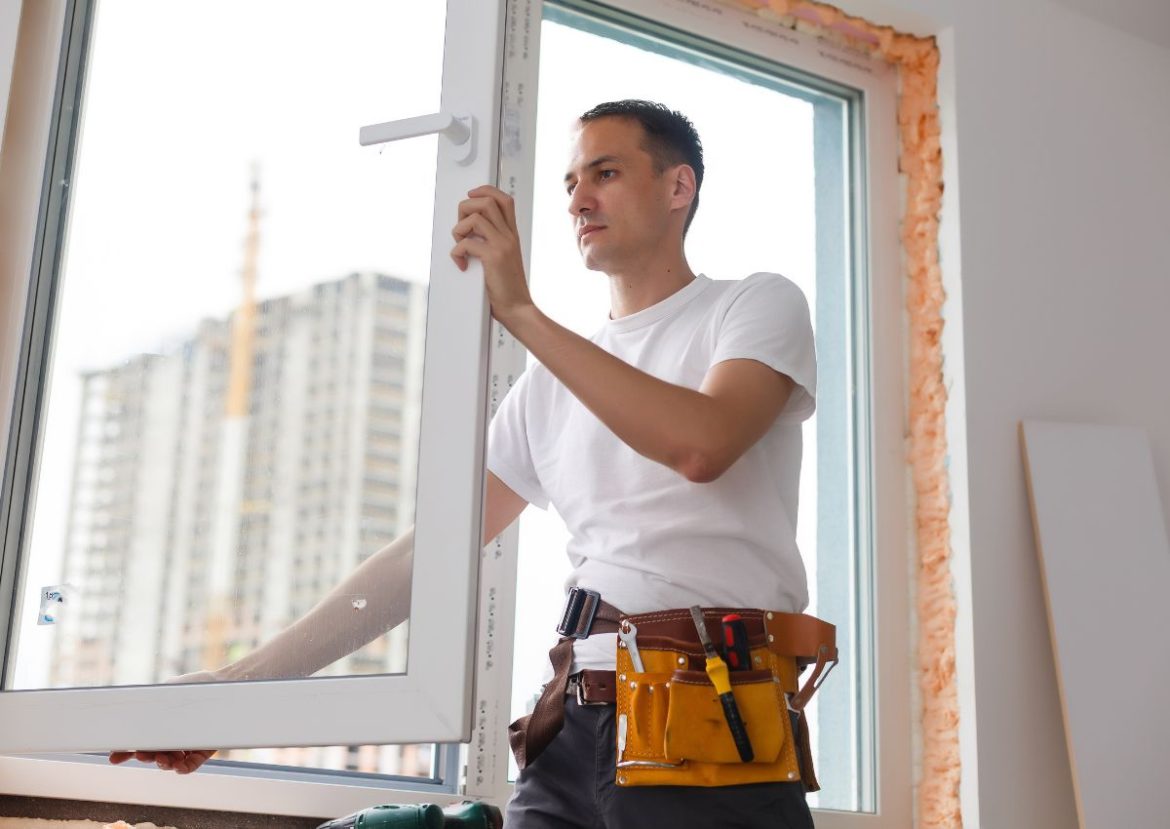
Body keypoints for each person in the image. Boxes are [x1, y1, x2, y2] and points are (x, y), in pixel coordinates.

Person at [111, 100, 819, 829]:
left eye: (606, 172)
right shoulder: (550, 388)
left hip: (712, 714)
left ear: (679, 187)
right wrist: (240, 688)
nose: (578, 198)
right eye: (572, 180)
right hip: (571, 719)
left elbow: (702, 443)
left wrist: (520, 311)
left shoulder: (754, 305)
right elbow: (430, 550)